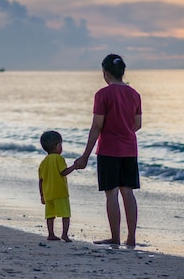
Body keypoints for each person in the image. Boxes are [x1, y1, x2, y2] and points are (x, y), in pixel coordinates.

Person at [74, 53, 142, 247]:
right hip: (130, 149)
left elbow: (96, 126)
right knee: (128, 193)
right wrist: (123, 130)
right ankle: (131, 238)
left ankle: (115, 237)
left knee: (111, 194)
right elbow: (137, 124)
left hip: (109, 150)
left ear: (105, 73)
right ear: (122, 72)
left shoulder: (103, 94)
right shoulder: (134, 94)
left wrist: (85, 155)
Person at [38, 130, 76, 242]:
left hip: (48, 193)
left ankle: (51, 234)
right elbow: (63, 172)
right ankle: (64, 234)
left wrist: (42, 195)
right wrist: (75, 166)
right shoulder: (59, 158)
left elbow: (41, 180)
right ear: (57, 146)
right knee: (65, 214)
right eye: (61, 144)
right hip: (60, 192)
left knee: (50, 215)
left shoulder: (43, 162)